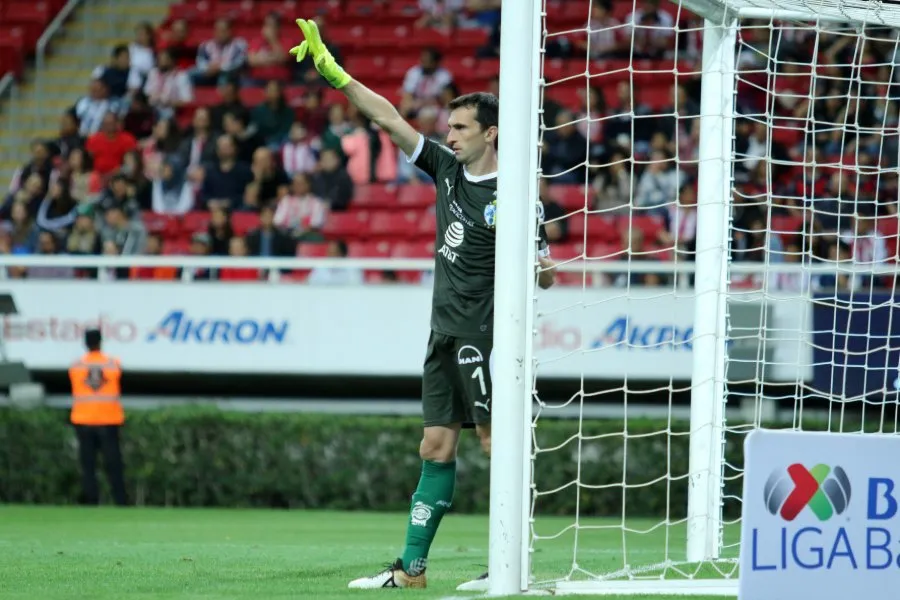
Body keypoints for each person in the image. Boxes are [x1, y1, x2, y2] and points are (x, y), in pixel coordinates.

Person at [289, 18, 557, 591]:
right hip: (442, 332)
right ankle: (410, 569)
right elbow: (388, 117)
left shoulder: (514, 197)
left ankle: (509, 565)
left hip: (481, 336)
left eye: (461, 127)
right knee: (434, 444)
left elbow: (547, 276)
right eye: (449, 126)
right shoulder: (446, 171)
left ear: (491, 134)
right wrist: (336, 76)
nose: (450, 135)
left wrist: (541, 264)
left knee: (492, 441)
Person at [68, 328, 127, 506]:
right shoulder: (112, 364)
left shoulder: (76, 366)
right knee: (114, 465)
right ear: (100, 342)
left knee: (88, 466)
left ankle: (91, 501)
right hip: (109, 420)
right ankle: (120, 501)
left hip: (83, 420)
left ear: (85, 343)